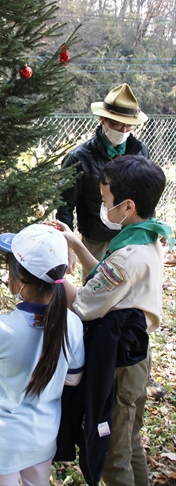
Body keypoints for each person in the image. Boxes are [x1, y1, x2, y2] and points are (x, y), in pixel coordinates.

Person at [53, 156, 174, 486]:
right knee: (130, 439)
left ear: (128, 206)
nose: (104, 205)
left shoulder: (125, 258)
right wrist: (76, 243)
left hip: (118, 364)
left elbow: (87, 305)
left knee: (111, 451)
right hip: (139, 355)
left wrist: (58, 283)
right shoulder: (146, 238)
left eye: (106, 200)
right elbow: (107, 278)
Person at [0, 224, 85, 486]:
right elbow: (73, 379)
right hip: (42, 440)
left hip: (1, 445)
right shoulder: (73, 324)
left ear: (18, 281)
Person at [56, 83, 149, 279]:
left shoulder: (140, 151)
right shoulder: (79, 158)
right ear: (102, 120)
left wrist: (149, 233)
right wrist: (68, 246)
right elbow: (65, 205)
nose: (123, 130)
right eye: (117, 124)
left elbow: (148, 195)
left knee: (129, 295)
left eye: (128, 125)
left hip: (134, 237)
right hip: (97, 240)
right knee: (96, 292)